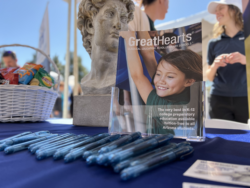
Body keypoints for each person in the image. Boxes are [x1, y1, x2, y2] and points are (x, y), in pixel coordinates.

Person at [120, 30, 202, 134]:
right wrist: (141, 27)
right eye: (158, 74)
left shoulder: (167, 108)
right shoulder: (186, 89)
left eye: (170, 77)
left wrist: (129, 39)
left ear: (189, 81)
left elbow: (137, 76)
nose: (160, 81)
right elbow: (149, 54)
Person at [206, 0, 248, 123]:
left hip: (245, 99)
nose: (217, 13)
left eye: (221, 8)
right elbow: (209, 77)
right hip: (218, 99)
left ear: (233, 9)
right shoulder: (213, 43)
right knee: (221, 139)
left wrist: (245, 60)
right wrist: (214, 65)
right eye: (216, 11)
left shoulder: (248, 38)